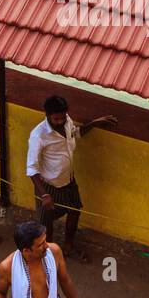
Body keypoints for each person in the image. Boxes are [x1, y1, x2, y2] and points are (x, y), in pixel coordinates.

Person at [26, 93, 116, 260]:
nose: (60, 122)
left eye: (62, 117)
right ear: (47, 115)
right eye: (56, 119)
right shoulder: (38, 135)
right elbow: (31, 168)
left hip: (69, 180)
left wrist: (96, 123)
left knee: (75, 211)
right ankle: (48, 255)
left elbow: (76, 133)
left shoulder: (67, 120)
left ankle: (68, 246)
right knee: (46, 223)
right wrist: (44, 194)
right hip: (48, 186)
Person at [0, 220, 81, 298]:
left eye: (45, 241)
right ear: (26, 251)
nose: (47, 246)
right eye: (41, 244)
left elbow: (65, 281)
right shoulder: (7, 267)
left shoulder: (54, 251)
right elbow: (0, 292)